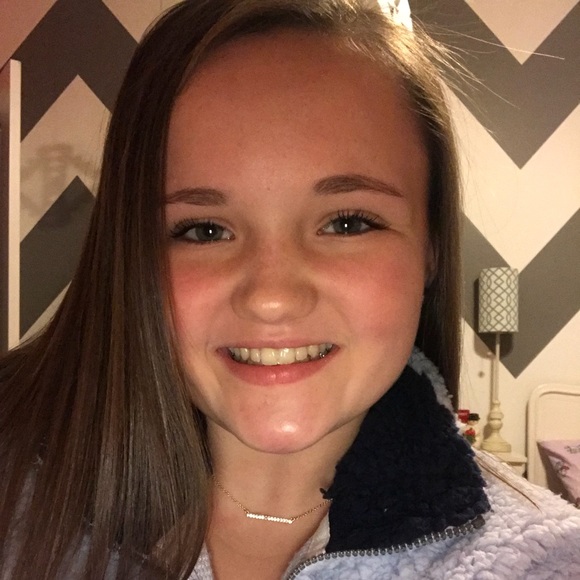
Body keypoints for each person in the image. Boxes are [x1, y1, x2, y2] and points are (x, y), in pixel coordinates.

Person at [1, 1, 579, 578]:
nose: (271, 297)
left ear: (429, 248)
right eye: (204, 231)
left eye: (347, 223)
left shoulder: (548, 561)